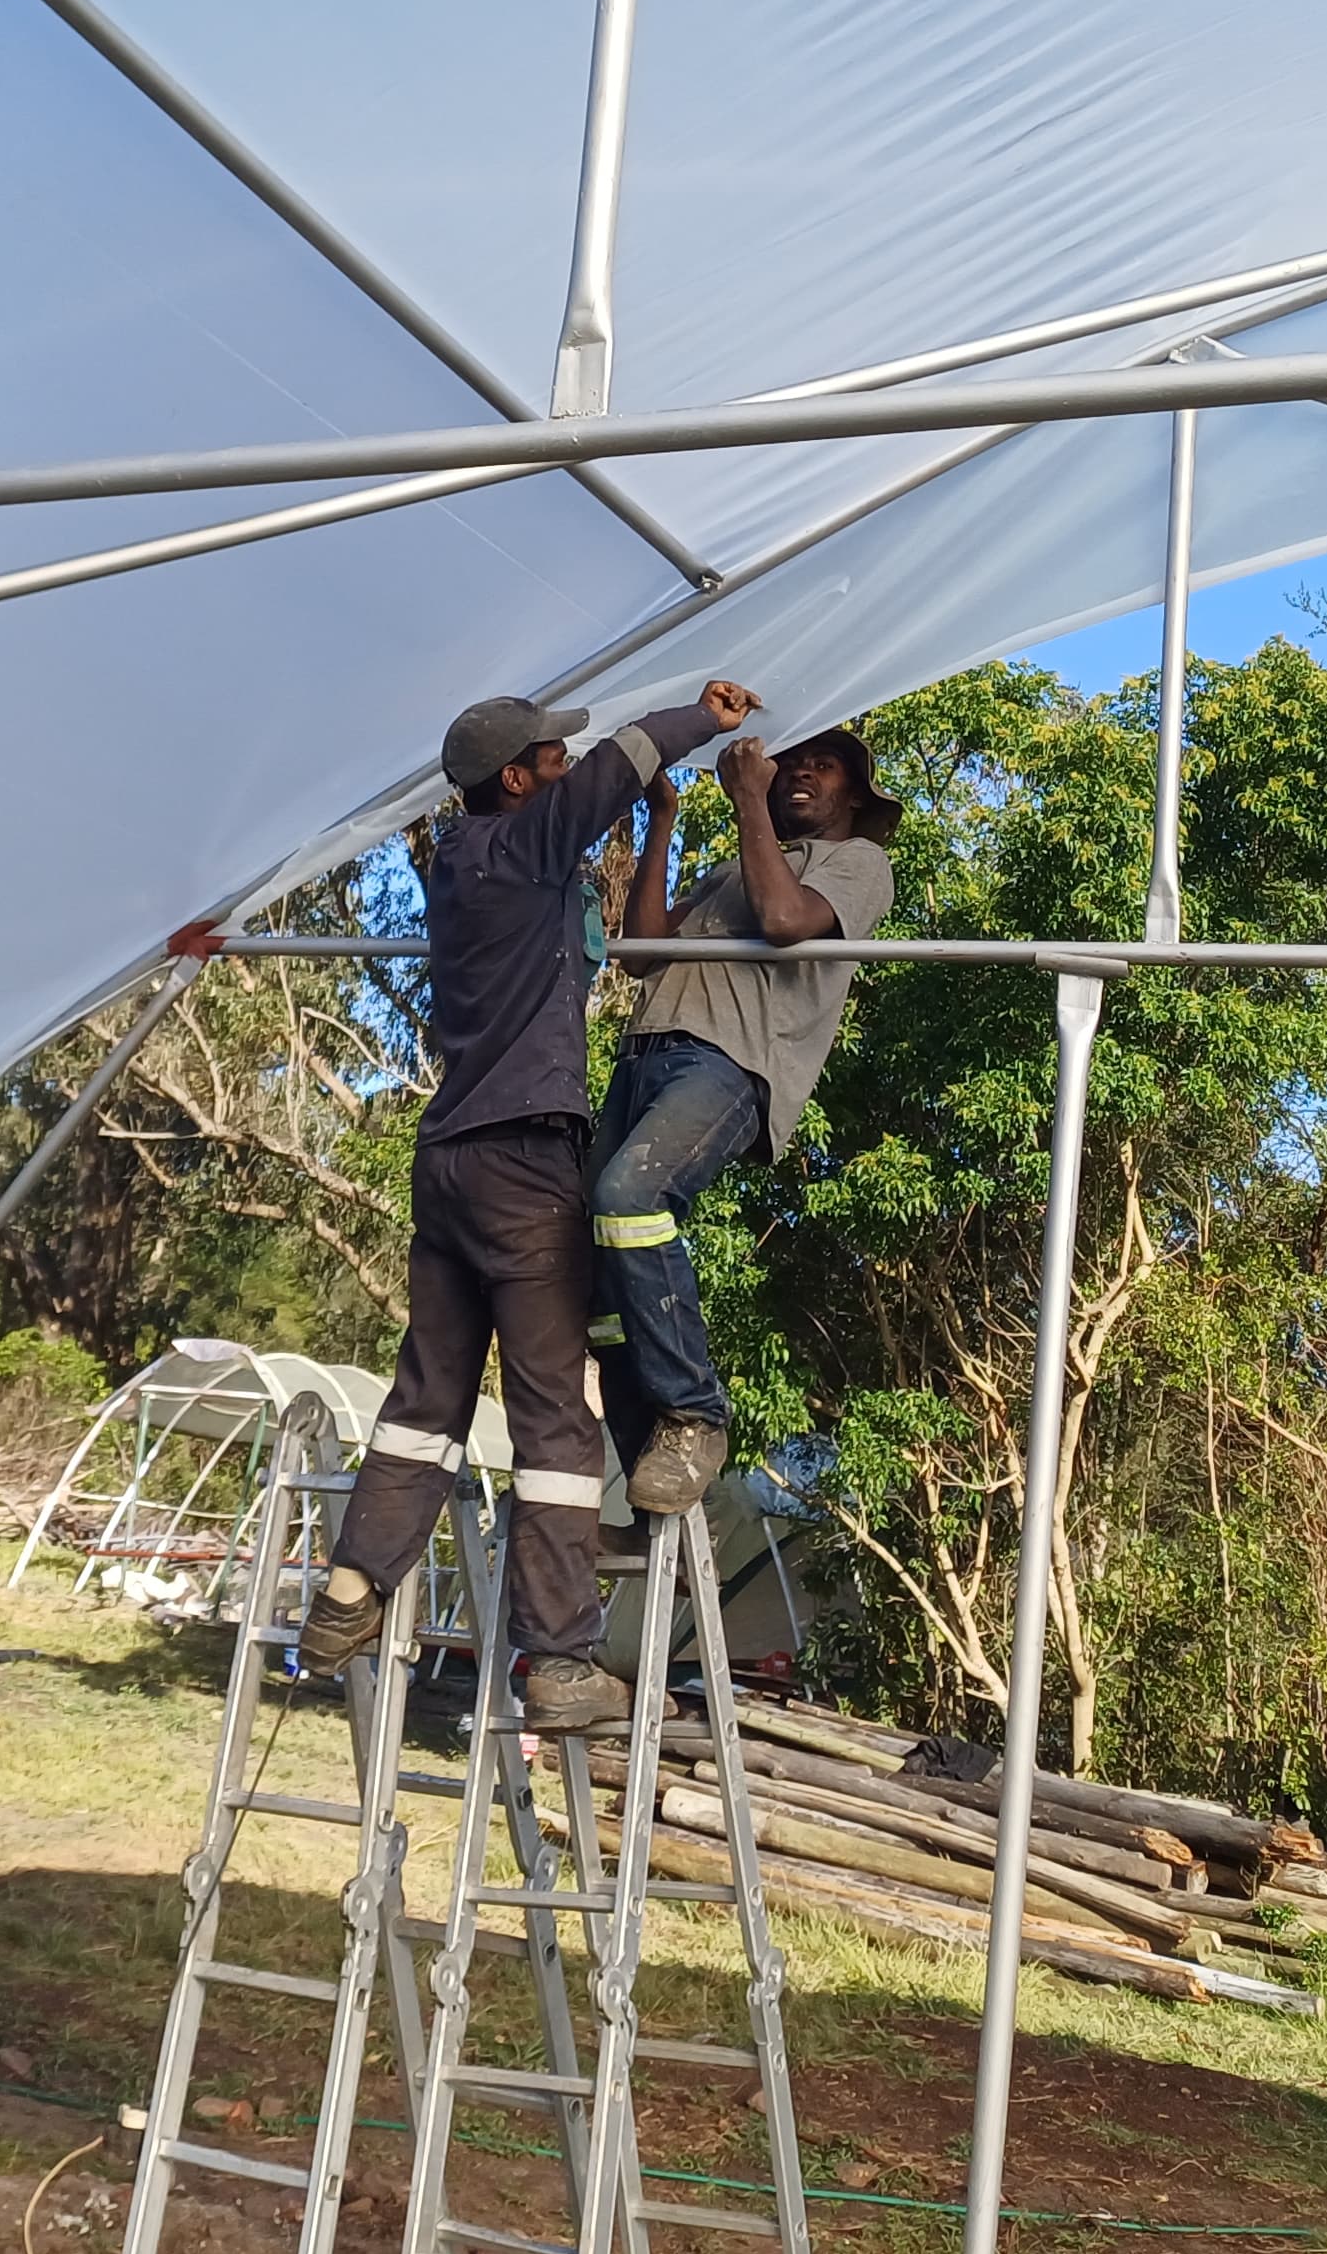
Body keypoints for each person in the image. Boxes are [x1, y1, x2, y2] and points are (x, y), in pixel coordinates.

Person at [301, 678, 760, 1734]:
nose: (563, 763)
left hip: (448, 1159)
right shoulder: (525, 840)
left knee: (428, 1398)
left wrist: (658, 832)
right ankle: (558, 1662)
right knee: (555, 1414)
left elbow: (595, 833)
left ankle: (350, 1590)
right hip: (521, 1164)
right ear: (515, 781)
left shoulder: (459, 865)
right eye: (547, 758)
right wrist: (707, 715)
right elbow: (620, 763)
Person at [592, 726, 903, 1517]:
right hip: (644, 1054)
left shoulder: (858, 865)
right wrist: (663, 818)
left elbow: (783, 920)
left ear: (855, 795)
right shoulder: (736, 864)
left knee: (632, 1198)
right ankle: (650, 1479)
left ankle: (696, 1416)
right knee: (592, 1284)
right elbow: (640, 951)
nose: (799, 774)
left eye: (821, 767)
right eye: (790, 765)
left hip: (727, 1064)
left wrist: (745, 798)